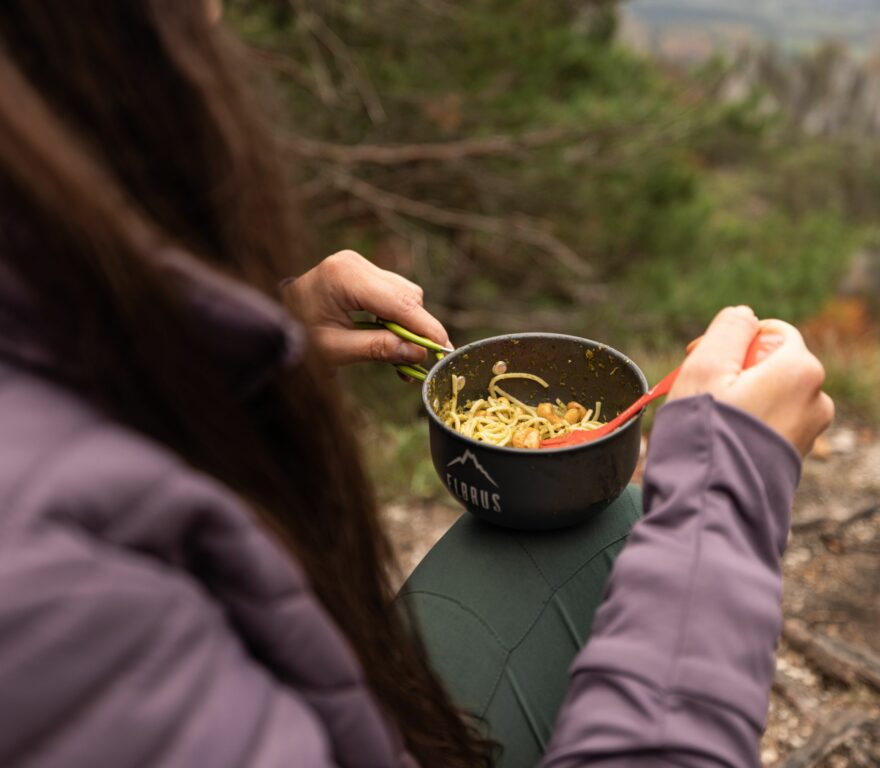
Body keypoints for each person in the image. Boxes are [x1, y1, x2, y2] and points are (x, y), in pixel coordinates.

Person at [0, 2, 832, 768]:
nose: (217, 24)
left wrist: (260, 332)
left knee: (606, 523)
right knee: (639, 530)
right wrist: (723, 505)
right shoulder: (57, 594)